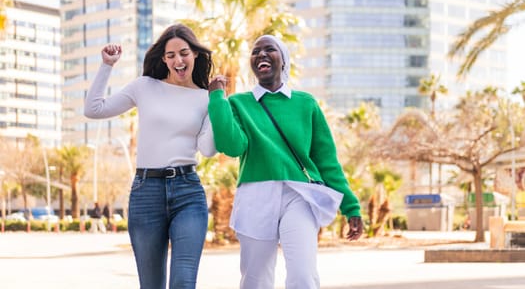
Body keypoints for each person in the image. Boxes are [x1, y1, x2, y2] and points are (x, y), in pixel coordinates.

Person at [208, 34, 363, 289]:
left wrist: (351, 206)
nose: (261, 54)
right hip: (255, 195)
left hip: (299, 195)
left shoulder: (305, 103)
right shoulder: (238, 103)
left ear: (284, 60)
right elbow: (231, 146)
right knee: (255, 280)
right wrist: (217, 99)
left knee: (303, 275)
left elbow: (327, 162)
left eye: (270, 49)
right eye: (255, 51)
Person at [84, 24, 216, 289]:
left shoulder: (205, 98)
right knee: (151, 285)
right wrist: (107, 66)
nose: (178, 60)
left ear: (196, 56)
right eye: (171, 55)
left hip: (188, 192)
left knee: (183, 281)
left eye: (184, 53)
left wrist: (217, 103)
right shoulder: (145, 87)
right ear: (163, 59)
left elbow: (208, 150)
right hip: (147, 192)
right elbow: (93, 109)